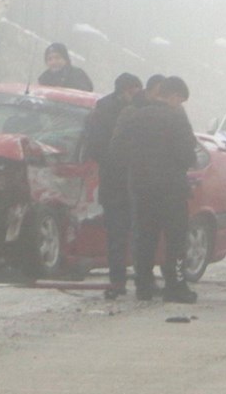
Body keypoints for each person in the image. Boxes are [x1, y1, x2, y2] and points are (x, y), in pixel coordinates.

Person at [109, 76, 198, 303]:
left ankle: (144, 285)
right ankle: (175, 285)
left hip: (140, 186)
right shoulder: (176, 119)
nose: (180, 105)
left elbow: (117, 149)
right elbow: (188, 155)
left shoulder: (134, 116)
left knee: (144, 236)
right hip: (171, 187)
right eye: (181, 100)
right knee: (175, 237)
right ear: (174, 96)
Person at [84, 72, 143, 300]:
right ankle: (120, 280)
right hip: (116, 182)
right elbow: (95, 147)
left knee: (132, 234)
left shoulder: (131, 108)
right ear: (124, 92)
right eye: (133, 91)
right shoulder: (105, 112)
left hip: (126, 181)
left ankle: (133, 279)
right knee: (119, 234)